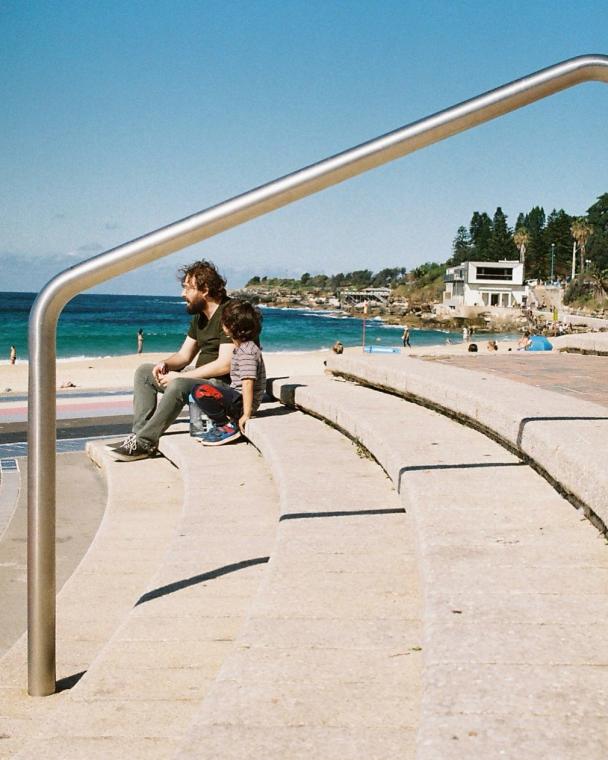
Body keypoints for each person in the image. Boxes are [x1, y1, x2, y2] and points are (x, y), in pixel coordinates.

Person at [108, 260, 234, 461]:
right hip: (201, 381)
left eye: (187, 288)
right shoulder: (200, 317)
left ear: (205, 289)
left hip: (222, 388)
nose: (182, 294)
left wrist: (180, 378)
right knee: (144, 372)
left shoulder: (230, 313)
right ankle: (138, 434)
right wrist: (165, 364)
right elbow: (184, 356)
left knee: (179, 384)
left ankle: (145, 443)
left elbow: (225, 364)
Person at [191, 300, 266, 446]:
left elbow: (248, 382)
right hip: (238, 398)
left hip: (241, 402)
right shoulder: (244, 348)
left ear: (228, 327)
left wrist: (246, 414)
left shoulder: (246, 351)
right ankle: (220, 424)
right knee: (200, 389)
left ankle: (225, 425)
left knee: (200, 390)